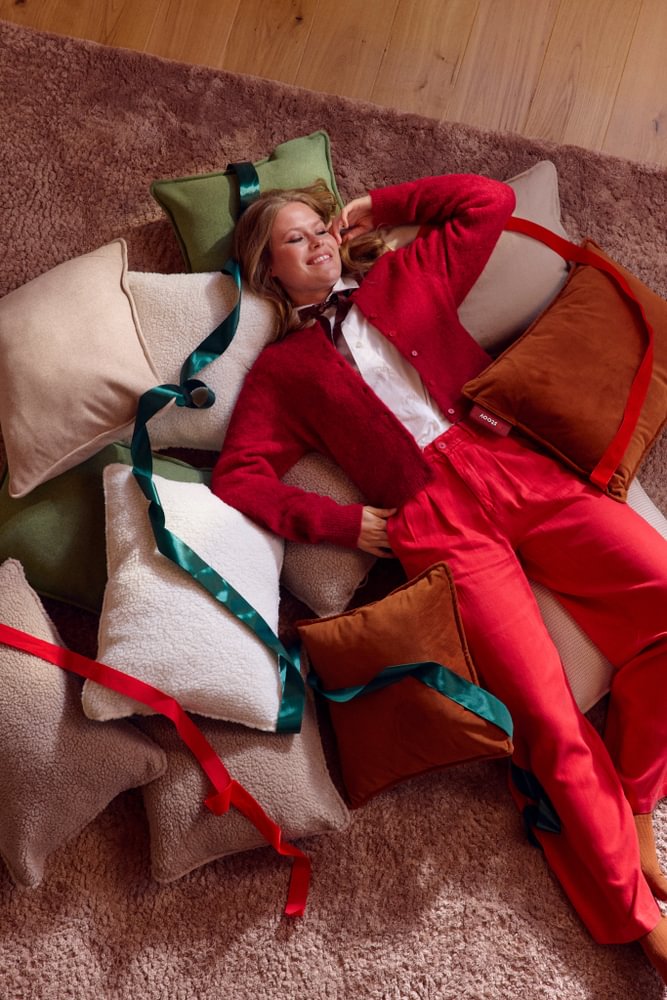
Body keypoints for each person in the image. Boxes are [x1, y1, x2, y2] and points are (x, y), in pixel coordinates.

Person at [210, 171, 667, 981]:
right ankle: (641, 924)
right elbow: (239, 477)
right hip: (432, 522)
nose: (316, 242)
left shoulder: (406, 274)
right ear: (266, 269)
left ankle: (631, 797)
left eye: (319, 226)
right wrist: (345, 524)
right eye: (293, 239)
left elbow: (487, 202)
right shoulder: (282, 373)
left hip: (513, 465)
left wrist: (376, 207)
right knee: (543, 716)